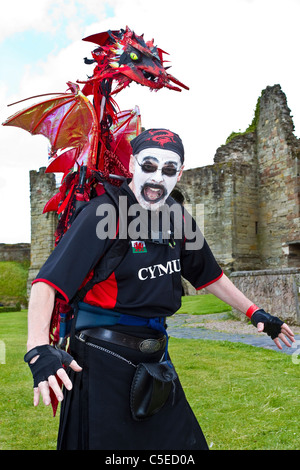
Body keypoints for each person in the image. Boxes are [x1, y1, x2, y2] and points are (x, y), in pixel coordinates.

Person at [25, 128, 295, 450]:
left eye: (168, 170)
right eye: (149, 166)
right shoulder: (102, 214)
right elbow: (48, 283)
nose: (157, 178)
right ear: (132, 164)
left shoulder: (178, 218)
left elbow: (209, 275)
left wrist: (255, 312)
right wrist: (38, 347)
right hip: (102, 360)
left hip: (156, 360)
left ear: (179, 173)